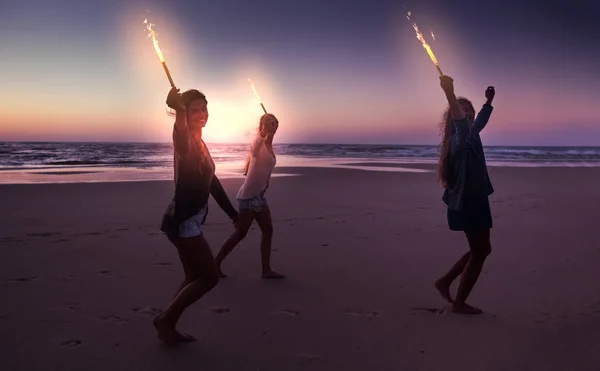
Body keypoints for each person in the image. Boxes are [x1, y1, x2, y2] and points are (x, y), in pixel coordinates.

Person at [153, 87, 240, 345]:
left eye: (204, 108)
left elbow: (212, 182)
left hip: (182, 221)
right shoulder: (187, 142)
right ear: (185, 115)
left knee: (192, 277)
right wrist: (179, 111)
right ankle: (165, 320)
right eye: (194, 110)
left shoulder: (200, 143)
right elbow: (179, 136)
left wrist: (231, 212)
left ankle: (167, 320)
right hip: (183, 223)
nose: (201, 114)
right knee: (209, 278)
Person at [433, 75, 496, 315]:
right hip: (469, 202)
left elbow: (480, 121)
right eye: (462, 110)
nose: (468, 113)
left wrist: (488, 102)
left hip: (477, 198)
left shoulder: (472, 133)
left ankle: (445, 282)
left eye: (470, 109)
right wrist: (449, 92)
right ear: (455, 116)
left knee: (482, 249)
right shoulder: (459, 137)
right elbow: (462, 120)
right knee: (481, 251)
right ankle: (458, 303)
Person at [214, 113, 284, 279]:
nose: (272, 126)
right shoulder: (258, 145)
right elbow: (254, 147)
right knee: (240, 233)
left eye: (274, 123)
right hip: (248, 198)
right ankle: (215, 264)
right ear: (262, 126)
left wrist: (265, 186)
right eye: (269, 123)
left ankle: (266, 270)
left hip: (259, 197)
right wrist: (262, 133)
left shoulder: (269, 146)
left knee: (268, 231)